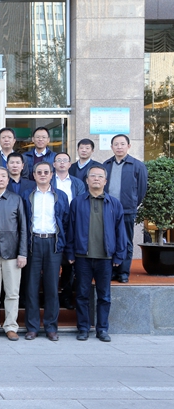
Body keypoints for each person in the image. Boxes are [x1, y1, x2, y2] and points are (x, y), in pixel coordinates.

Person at [66, 166, 127, 342]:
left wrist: (119, 255)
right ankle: (83, 328)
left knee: (104, 296)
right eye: (92, 176)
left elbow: (120, 231)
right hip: (82, 257)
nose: (96, 179)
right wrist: (70, 252)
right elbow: (71, 229)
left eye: (100, 176)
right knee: (82, 294)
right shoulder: (77, 202)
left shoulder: (114, 203)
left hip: (105, 258)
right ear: (87, 180)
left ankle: (102, 329)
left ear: (105, 181)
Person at [21, 162, 69, 341]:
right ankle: (32, 327)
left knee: (51, 287)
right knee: (31, 287)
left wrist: (64, 246)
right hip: (33, 242)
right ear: (34, 175)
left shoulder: (61, 196)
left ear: (51, 175)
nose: (42, 175)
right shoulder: (27, 195)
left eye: (46, 172)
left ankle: (51, 327)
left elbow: (66, 222)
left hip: (53, 243)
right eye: (39, 172)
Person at [0, 166, 27, 341]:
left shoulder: (16, 199)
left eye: (3, 176)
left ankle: (10, 326)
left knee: (12, 293)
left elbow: (23, 228)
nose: (0, 179)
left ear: (8, 180)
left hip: (13, 254)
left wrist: (22, 253)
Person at [102, 134, 148, 283]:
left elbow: (141, 189)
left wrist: (132, 204)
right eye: (116, 144)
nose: (119, 147)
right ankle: (112, 271)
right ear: (111, 147)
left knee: (126, 241)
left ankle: (123, 272)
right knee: (109, 240)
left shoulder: (137, 165)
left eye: (122, 144)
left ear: (128, 146)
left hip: (127, 210)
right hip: (108, 210)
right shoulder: (106, 165)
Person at [52, 152, 86, 310]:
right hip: (52, 226)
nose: (61, 163)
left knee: (68, 264)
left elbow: (81, 205)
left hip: (71, 226)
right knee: (51, 265)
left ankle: (66, 297)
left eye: (65, 160)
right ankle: (50, 297)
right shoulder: (48, 180)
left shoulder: (77, 183)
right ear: (53, 164)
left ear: (70, 164)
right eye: (58, 160)